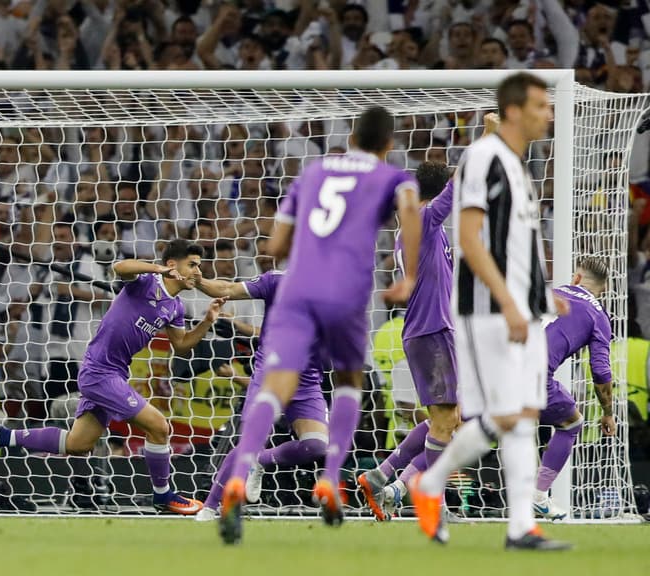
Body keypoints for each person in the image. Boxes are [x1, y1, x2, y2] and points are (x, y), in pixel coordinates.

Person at [217, 106, 422, 544]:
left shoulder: (311, 173)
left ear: (350, 136)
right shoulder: (394, 178)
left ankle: (241, 472)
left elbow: (275, 245)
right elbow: (410, 214)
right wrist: (408, 277)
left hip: (296, 290)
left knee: (274, 387)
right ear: (388, 145)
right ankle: (329, 479)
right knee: (349, 383)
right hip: (344, 290)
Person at [409, 72, 570, 550]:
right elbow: (470, 238)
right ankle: (430, 482)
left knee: (523, 413)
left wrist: (541, 297)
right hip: (487, 310)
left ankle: (520, 526)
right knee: (505, 415)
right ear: (516, 111)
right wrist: (508, 302)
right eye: (542, 105)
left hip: (522, 307)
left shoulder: (517, 166)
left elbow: (516, 247)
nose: (550, 113)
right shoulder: (484, 159)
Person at [0, 239, 225, 515]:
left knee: (78, 444)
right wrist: (159, 269)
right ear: (173, 264)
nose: (198, 271)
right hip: (99, 371)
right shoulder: (146, 281)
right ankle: (163, 495)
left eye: (200, 265)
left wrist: (207, 320)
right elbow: (119, 267)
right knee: (159, 426)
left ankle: (4, 436)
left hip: (115, 373)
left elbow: (183, 344)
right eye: (193, 265)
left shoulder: (175, 307)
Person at [356, 151, 481, 520]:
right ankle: (434, 504)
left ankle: (382, 477)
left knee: (450, 418)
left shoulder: (421, 228)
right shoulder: (424, 220)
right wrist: (486, 140)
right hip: (431, 331)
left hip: (430, 330)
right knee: (446, 421)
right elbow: (459, 187)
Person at [196, 270, 329, 522]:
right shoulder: (276, 280)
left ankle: (261, 460)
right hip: (270, 374)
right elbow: (226, 288)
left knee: (316, 446)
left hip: (306, 381)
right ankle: (211, 507)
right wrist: (198, 281)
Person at [533, 259, 615, 518]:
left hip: (500, 358)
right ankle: (538, 494)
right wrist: (608, 412)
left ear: (576, 278)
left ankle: (402, 478)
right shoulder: (598, 315)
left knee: (453, 420)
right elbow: (601, 371)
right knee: (571, 423)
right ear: (604, 289)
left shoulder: (550, 291)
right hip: (532, 376)